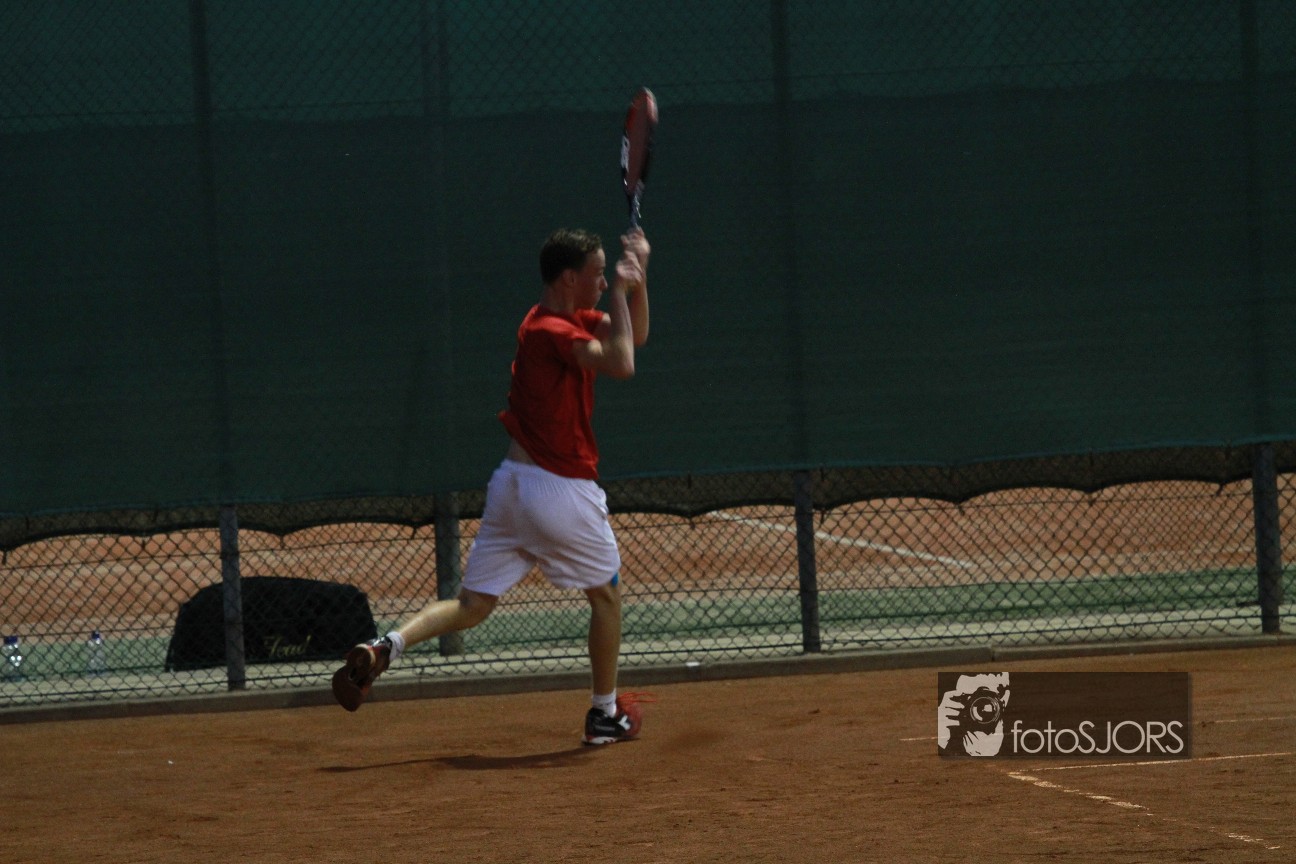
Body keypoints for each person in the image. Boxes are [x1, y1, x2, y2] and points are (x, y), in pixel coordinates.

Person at [332, 226, 651, 745]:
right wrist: (620, 288)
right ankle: (603, 714)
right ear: (568, 278)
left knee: (472, 606)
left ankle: (385, 646)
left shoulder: (558, 318)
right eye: (595, 275)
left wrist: (638, 279)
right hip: (558, 489)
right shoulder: (550, 329)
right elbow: (622, 364)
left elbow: (633, 337)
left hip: (511, 487)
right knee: (607, 598)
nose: (600, 282)